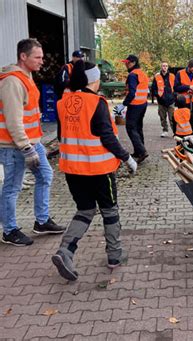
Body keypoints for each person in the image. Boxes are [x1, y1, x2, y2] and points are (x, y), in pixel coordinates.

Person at [52, 60, 137, 281]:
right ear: (94, 79)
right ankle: (115, 257)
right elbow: (107, 137)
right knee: (109, 211)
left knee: (85, 211)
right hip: (99, 170)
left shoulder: (63, 102)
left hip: (73, 170)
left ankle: (65, 251)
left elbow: (63, 135)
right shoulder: (96, 103)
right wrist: (127, 157)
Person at [0, 38, 66, 246]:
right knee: (12, 187)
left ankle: (42, 221)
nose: (42, 61)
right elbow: (13, 120)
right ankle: (9, 230)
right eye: (37, 57)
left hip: (30, 142)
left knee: (45, 175)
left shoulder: (26, 76)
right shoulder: (12, 81)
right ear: (23, 56)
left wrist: (35, 143)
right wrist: (27, 147)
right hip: (15, 146)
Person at [118, 55, 149, 164]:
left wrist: (123, 104)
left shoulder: (132, 75)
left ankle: (142, 151)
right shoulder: (141, 73)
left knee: (130, 128)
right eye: (126, 62)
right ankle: (138, 151)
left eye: (128, 63)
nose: (126, 64)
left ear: (134, 62)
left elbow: (132, 93)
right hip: (143, 104)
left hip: (135, 105)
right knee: (138, 127)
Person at [174, 58, 193, 131]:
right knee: (184, 121)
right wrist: (188, 87)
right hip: (183, 103)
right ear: (188, 66)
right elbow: (176, 88)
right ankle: (184, 136)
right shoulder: (180, 73)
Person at [151, 61, 175, 137]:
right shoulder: (157, 76)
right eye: (163, 66)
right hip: (161, 101)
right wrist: (157, 96)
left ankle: (175, 132)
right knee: (162, 117)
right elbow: (153, 88)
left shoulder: (172, 76)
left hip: (171, 101)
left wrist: (174, 96)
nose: (164, 67)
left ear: (168, 67)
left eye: (166, 66)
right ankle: (165, 130)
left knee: (172, 118)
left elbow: (176, 87)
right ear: (161, 67)